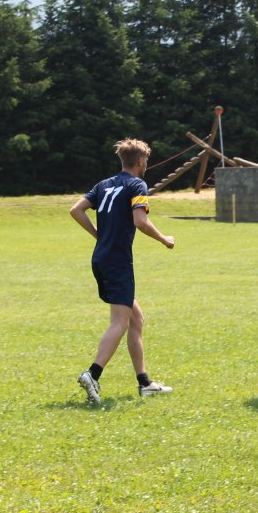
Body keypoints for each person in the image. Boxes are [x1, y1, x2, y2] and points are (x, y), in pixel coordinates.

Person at [69, 138, 175, 406]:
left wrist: (99, 235)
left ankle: (145, 383)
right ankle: (92, 374)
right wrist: (164, 239)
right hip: (117, 261)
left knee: (135, 319)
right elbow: (140, 221)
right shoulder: (137, 185)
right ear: (140, 161)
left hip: (100, 258)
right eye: (146, 160)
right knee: (120, 322)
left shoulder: (103, 184)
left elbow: (76, 210)